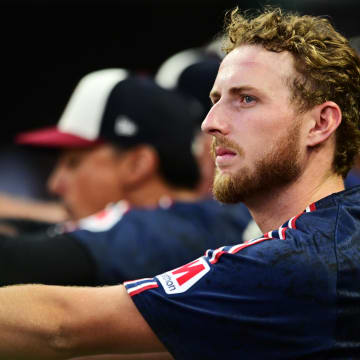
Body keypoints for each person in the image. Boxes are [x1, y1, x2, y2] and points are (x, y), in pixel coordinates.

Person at [0, 6, 360, 359]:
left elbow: (62, 328)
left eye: (246, 99)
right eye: (215, 100)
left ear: (320, 123)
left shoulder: (297, 263)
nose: (210, 123)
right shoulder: (331, 235)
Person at [0, 68, 254, 286]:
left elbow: (15, 259)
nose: (54, 184)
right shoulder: (204, 220)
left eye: (73, 163)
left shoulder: (166, 231)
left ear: (137, 164)